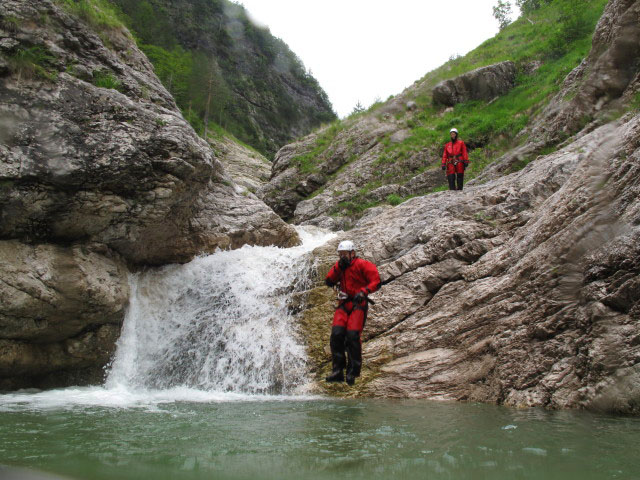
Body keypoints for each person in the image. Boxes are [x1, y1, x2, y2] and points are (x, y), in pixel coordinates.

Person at [324, 240, 381, 386]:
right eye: (340, 254)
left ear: (352, 253)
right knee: (336, 334)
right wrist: (338, 268)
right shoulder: (340, 266)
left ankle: (353, 371)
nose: (342, 256)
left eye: (344, 254)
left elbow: (376, 281)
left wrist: (364, 291)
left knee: (352, 336)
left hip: (358, 304)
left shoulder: (363, 264)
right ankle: (337, 370)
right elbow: (329, 281)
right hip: (343, 303)